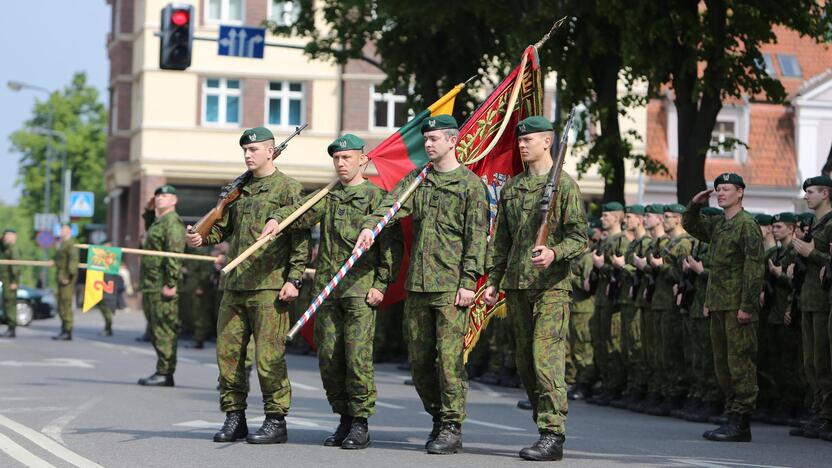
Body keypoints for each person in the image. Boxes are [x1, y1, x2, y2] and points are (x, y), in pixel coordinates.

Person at [355, 114, 488, 455]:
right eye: (426, 139)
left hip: (450, 287)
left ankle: (451, 425)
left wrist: (469, 281)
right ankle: (437, 415)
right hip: (418, 284)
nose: (428, 144)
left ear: (453, 141)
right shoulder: (418, 180)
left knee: (448, 361)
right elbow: (391, 205)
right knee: (418, 361)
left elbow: (476, 239)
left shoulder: (470, 186)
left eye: (434, 139)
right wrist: (371, 226)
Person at [260, 134, 400, 449]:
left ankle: (361, 421)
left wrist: (381, 283)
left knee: (356, 357)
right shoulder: (329, 195)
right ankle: (344, 417)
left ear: (362, 160)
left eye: (346, 158)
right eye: (336, 159)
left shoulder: (377, 198)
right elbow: (301, 212)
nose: (340, 164)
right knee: (329, 356)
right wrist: (276, 219)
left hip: (359, 290)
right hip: (327, 289)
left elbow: (391, 245)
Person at [186, 127, 310, 445]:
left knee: (269, 357)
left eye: (254, 150)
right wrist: (202, 237)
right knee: (229, 355)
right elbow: (222, 229)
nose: (248, 155)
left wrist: (294, 279)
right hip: (236, 284)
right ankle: (234, 416)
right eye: (245, 150)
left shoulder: (288, 188)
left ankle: (275, 419)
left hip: (269, 286)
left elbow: (300, 240)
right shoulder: (238, 190)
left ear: (271, 151)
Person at [483, 116, 587, 461]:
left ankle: (552, 433)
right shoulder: (513, 188)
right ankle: (542, 425)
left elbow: (579, 237)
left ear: (548, 142)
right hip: (517, 285)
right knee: (526, 363)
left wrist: (555, 252)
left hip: (550, 288)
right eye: (520, 140)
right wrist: (493, 282)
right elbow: (502, 241)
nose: (523, 145)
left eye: (530, 140)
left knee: (546, 360)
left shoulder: (565, 187)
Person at [684, 172, 764, 442]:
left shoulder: (747, 225)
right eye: (718, 189)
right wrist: (695, 204)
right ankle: (731, 415)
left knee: (740, 363)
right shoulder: (720, 225)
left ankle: (741, 420)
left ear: (740, 192)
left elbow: (754, 268)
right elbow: (691, 226)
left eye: (726, 189)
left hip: (737, 306)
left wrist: (747, 306)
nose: (720, 193)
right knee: (723, 365)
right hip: (719, 303)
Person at [787, 176, 832, 439]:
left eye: (811, 192)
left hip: (824, 301)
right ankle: (817, 411)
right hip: (809, 298)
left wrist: (810, 253)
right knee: (811, 362)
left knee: (823, 360)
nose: (806, 197)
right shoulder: (815, 225)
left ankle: (826, 414)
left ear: (826, 193)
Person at [138, 185, 186, 387]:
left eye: (164, 196)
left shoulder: (173, 224)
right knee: (155, 327)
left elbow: (174, 256)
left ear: (174, 200)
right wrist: (148, 211)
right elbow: (149, 235)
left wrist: (171, 283)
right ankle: (162, 369)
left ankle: (165, 372)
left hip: (162, 284)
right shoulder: (159, 222)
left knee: (164, 328)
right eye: (157, 195)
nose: (159, 199)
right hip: (151, 283)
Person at [610, 205, 651, 408]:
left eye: (630, 217)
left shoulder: (645, 243)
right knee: (627, 346)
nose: (626, 221)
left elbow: (644, 273)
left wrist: (623, 266)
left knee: (637, 347)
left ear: (640, 220)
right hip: (627, 299)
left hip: (638, 301)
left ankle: (640, 388)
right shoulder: (634, 244)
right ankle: (632, 387)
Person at [589, 202, 629, 405]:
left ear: (616, 217)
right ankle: (606, 383)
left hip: (614, 300)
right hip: (602, 298)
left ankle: (615, 385)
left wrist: (601, 266)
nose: (603, 218)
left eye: (606, 215)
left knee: (613, 342)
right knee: (601, 342)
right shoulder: (605, 242)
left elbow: (619, 270)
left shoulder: (621, 241)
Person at [52, 224, 79, 340]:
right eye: (61, 229)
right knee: (60, 304)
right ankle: (64, 329)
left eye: (64, 229)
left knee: (66, 303)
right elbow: (59, 259)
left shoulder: (70, 244)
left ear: (69, 231)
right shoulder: (62, 244)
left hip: (67, 279)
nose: (62, 231)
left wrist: (68, 276)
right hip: (60, 277)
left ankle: (68, 330)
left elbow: (73, 261)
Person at [0, 229, 20, 338]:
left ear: (14, 236)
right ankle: (9, 327)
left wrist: (14, 281)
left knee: (10, 304)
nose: (6, 237)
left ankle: (12, 328)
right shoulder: (7, 247)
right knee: (7, 303)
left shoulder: (14, 249)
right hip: (5, 279)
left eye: (8, 235)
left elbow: (15, 267)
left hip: (10, 280)